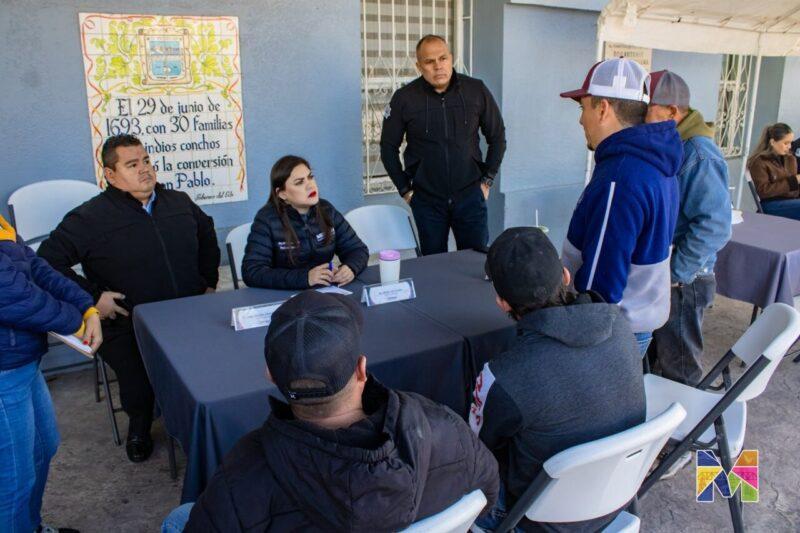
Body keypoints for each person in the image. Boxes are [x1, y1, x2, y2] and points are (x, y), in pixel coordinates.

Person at [162, 291, 498, 532]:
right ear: (362, 369)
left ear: (270, 376)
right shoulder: (443, 426)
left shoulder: (241, 475)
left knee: (179, 518)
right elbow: (488, 494)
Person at [38, 134, 220, 463]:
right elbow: (47, 262)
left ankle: (203, 417)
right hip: (127, 322)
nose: (144, 169)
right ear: (111, 175)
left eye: (146, 161)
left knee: (211, 362)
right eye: (132, 164)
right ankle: (140, 426)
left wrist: (207, 282)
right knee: (139, 380)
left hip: (186, 312)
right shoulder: (90, 217)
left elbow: (207, 234)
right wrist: (93, 298)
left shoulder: (179, 202)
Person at [471, 227, 645, 531]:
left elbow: (478, 448)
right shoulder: (621, 326)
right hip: (617, 499)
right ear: (565, 275)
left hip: (540, 520)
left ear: (502, 302)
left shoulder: (504, 376)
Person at [559, 58, 681, 356]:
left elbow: (600, 286)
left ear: (603, 109)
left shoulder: (620, 175)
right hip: (636, 322)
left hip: (612, 330)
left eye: (583, 108)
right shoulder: (654, 159)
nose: (581, 120)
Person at [1, 214, 102, 533]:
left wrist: (85, 306)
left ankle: (30, 526)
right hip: (4, 372)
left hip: (23, 361)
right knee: (14, 480)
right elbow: (13, 294)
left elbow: (35, 266)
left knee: (44, 447)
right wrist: (75, 322)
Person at [380, 34, 506, 255]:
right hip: (427, 200)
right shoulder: (404, 98)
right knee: (433, 264)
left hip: (470, 196)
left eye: (443, 58)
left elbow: (497, 137)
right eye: (429, 61)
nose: (438, 66)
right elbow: (388, 148)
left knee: (474, 261)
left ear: (451, 58)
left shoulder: (476, 90)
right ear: (419, 66)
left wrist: (487, 180)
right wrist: (405, 190)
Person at [645, 71, 732, 386]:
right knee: (660, 359)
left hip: (685, 282)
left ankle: (686, 417)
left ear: (672, 111)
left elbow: (716, 225)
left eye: (646, 110)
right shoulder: (672, 144)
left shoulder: (698, 152)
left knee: (680, 368)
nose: (639, 119)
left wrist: (676, 274)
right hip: (671, 276)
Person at [242, 155, 369, 289]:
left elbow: (357, 249)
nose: (310, 185)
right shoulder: (267, 219)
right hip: (283, 295)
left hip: (324, 291)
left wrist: (350, 267)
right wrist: (305, 278)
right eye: (299, 182)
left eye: (310, 177)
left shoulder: (326, 210)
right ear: (282, 194)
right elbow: (252, 271)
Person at [747, 123, 800, 220]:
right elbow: (763, 191)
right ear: (772, 142)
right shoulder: (759, 162)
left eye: (790, 143)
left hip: (792, 201)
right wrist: (794, 181)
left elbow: (794, 190)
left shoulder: (790, 159)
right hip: (770, 204)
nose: (789, 146)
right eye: (786, 143)